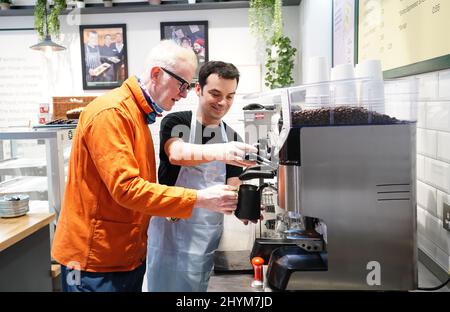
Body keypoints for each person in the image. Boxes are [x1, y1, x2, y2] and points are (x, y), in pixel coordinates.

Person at [51, 41, 245, 292]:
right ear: (156, 74)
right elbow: (128, 189)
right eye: (181, 85)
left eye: (230, 96)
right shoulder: (112, 113)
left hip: (125, 254)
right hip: (95, 259)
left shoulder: (137, 116)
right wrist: (200, 196)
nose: (184, 94)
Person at [146, 61, 257, 292]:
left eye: (230, 96)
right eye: (215, 94)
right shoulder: (178, 122)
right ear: (198, 89)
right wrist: (220, 151)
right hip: (169, 229)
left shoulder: (231, 137)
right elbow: (177, 154)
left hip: (203, 235)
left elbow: (232, 188)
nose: (222, 103)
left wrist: (244, 207)